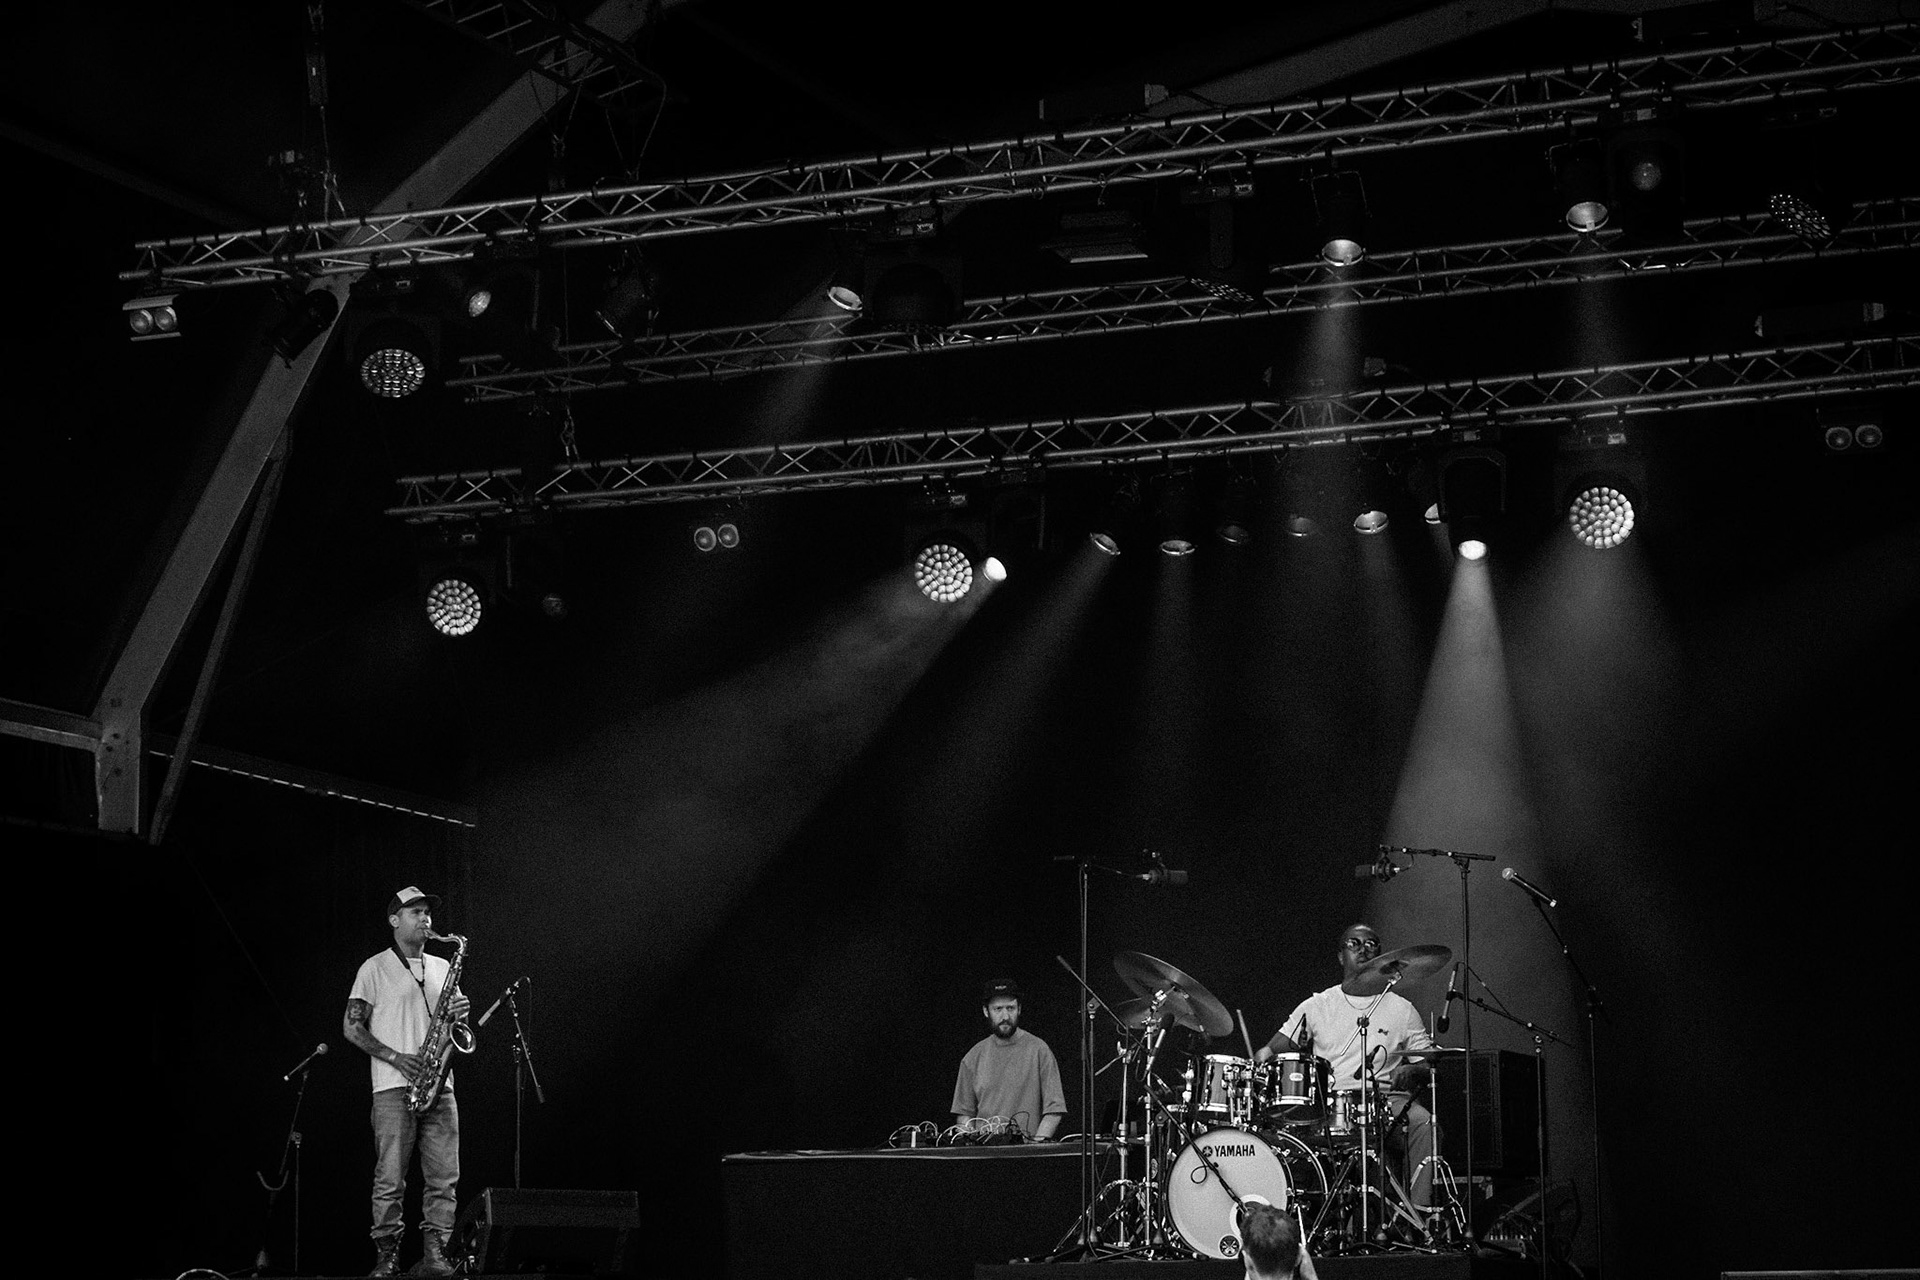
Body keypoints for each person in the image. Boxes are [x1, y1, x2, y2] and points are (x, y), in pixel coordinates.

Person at [1254, 923, 1439, 1215]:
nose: (1363, 949)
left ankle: (1419, 1214)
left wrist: (1412, 1072)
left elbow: (1427, 1064)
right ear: (1341, 956)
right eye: (1354, 943)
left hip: (1385, 1101)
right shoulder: (1317, 1005)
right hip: (1330, 1105)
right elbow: (1270, 1049)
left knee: (1425, 1123)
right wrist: (1263, 1056)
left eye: (1371, 943)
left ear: (1382, 954)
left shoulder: (1402, 1009)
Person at [344, 887, 471, 1277]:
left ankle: (436, 1256)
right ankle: (388, 1257)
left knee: (444, 1180)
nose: (425, 918)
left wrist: (460, 1013)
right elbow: (352, 1028)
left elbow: (455, 1025)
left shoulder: (443, 966)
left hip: (440, 1084)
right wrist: (396, 1057)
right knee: (390, 1179)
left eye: (427, 912)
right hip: (392, 1086)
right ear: (394, 920)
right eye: (415, 912)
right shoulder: (374, 968)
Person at [951, 978, 1067, 1140]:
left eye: (1010, 1008)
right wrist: (972, 1144)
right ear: (986, 1011)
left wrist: (1036, 1146)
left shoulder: (1039, 1050)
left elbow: (1054, 1110)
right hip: (984, 1151)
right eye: (998, 1009)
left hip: (1027, 1150)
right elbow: (964, 1114)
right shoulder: (973, 1057)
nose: (1005, 1016)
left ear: (1019, 1009)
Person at [1238, 1200, 1321, 1280]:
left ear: (1247, 1262)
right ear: (1299, 1257)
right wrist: (1312, 1277)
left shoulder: (1247, 1262)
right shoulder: (1302, 1257)